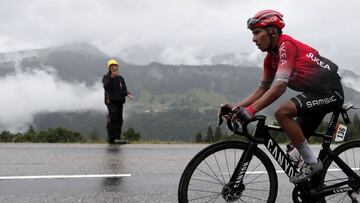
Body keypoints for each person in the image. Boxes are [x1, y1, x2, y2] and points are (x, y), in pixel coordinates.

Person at [227, 10, 344, 183]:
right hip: (314, 94)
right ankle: (314, 190)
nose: (253, 39)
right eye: (253, 34)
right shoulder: (270, 59)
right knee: (293, 151)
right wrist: (237, 108)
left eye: (257, 32)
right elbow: (262, 90)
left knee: (282, 112)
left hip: (330, 93)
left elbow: (280, 87)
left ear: (272, 31)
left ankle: (313, 164)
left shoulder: (286, 46)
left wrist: (251, 111)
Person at [102, 59, 133, 144]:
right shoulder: (106, 77)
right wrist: (112, 77)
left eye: (115, 66)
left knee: (119, 120)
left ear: (117, 67)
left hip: (119, 101)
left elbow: (123, 89)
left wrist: (127, 94)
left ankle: (117, 138)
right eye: (111, 66)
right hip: (111, 102)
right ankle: (112, 139)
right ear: (109, 68)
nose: (113, 67)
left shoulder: (120, 78)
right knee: (113, 119)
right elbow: (106, 87)